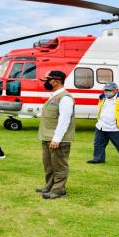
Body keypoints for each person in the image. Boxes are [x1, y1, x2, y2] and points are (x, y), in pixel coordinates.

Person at [35, 71, 75, 199]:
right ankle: (49, 186)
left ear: (56, 81)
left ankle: (58, 190)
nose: (46, 83)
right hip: (47, 137)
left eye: (48, 80)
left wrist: (56, 139)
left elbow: (64, 120)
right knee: (49, 165)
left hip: (57, 139)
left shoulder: (65, 98)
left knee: (59, 166)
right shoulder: (54, 96)